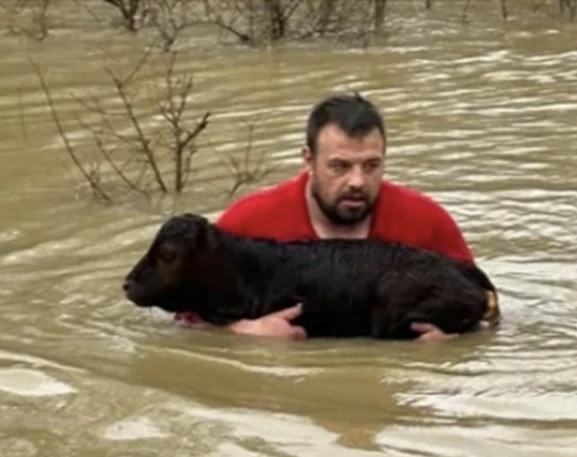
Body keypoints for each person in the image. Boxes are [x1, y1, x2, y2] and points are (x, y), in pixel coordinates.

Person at [178, 92, 479, 342]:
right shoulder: (249, 222)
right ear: (308, 160)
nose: (358, 182)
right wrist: (242, 332)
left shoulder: (426, 221)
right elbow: (186, 318)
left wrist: (455, 342)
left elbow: (487, 308)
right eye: (340, 166)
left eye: (372, 165)